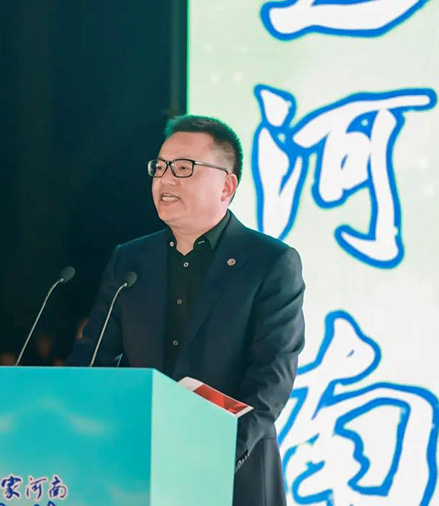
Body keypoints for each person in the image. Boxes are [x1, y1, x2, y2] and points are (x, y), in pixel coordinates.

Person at [65, 115, 305, 505]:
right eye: (160, 167)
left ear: (226, 185)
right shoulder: (131, 260)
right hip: (138, 470)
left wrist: (215, 455)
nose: (165, 179)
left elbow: (271, 376)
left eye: (183, 168)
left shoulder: (269, 262)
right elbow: (93, 356)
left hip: (234, 472)